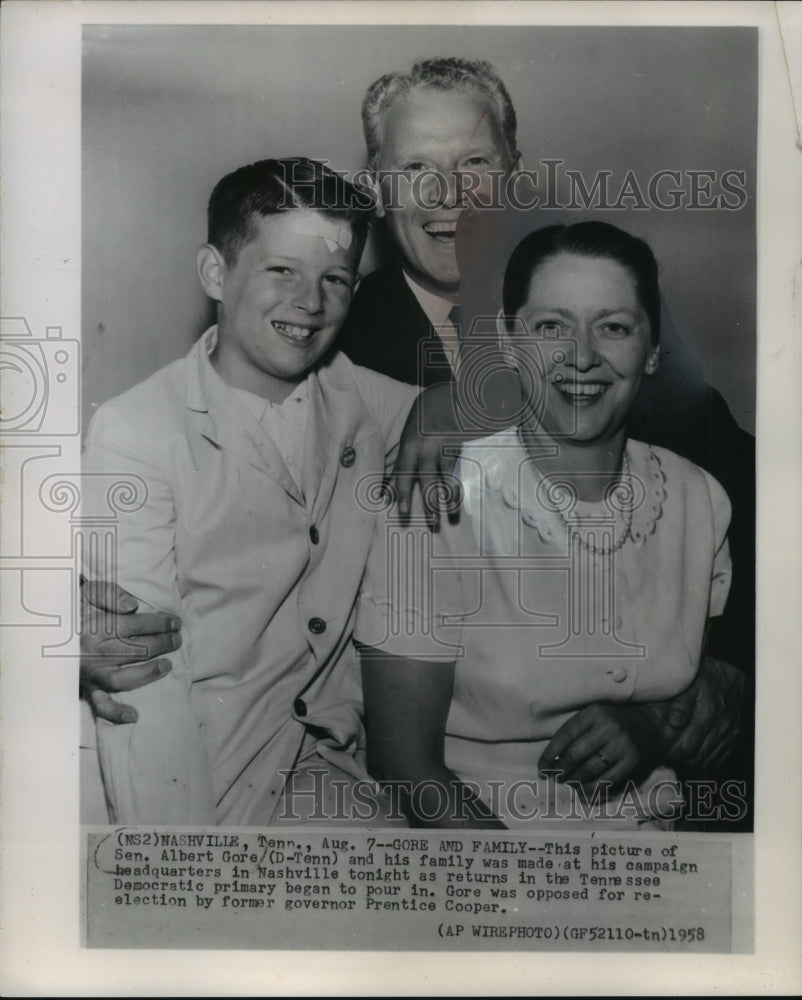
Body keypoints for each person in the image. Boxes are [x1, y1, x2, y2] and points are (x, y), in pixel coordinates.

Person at [356, 221, 736, 830]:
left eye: (614, 327)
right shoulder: (438, 500)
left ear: (653, 349)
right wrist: (528, 904)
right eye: (551, 327)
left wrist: (648, 724)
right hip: (485, 862)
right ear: (508, 342)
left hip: (664, 865)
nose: (581, 356)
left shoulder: (698, 498)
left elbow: (710, 694)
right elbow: (405, 764)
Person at [81, 157, 427, 825]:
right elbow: (144, 684)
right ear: (215, 273)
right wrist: (182, 872)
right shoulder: (135, 429)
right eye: (282, 273)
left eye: (336, 280)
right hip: (196, 774)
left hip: (320, 773)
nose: (311, 303)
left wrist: (442, 411)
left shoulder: (356, 395)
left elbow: (512, 411)